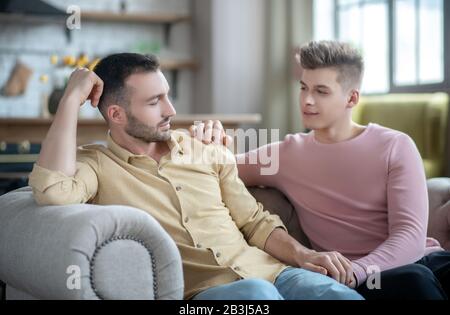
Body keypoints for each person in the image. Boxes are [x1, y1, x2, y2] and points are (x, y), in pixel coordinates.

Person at [28, 53, 363, 300]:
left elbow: (254, 221)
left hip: (274, 273)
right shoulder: (97, 165)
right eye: (155, 101)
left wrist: (304, 256)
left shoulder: (205, 149)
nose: (171, 110)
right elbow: (52, 191)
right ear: (116, 114)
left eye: (168, 96)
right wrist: (71, 98)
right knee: (258, 298)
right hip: (202, 298)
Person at [191, 40, 450, 299]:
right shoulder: (286, 154)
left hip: (415, 264)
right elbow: (219, 167)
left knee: (417, 277)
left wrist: (357, 271)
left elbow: (410, 237)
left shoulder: (395, 146)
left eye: (321, 91)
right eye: (304, 88)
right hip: (357, 284)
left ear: (352, 98)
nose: (307, 100)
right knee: (410, 282)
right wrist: (208, 139)